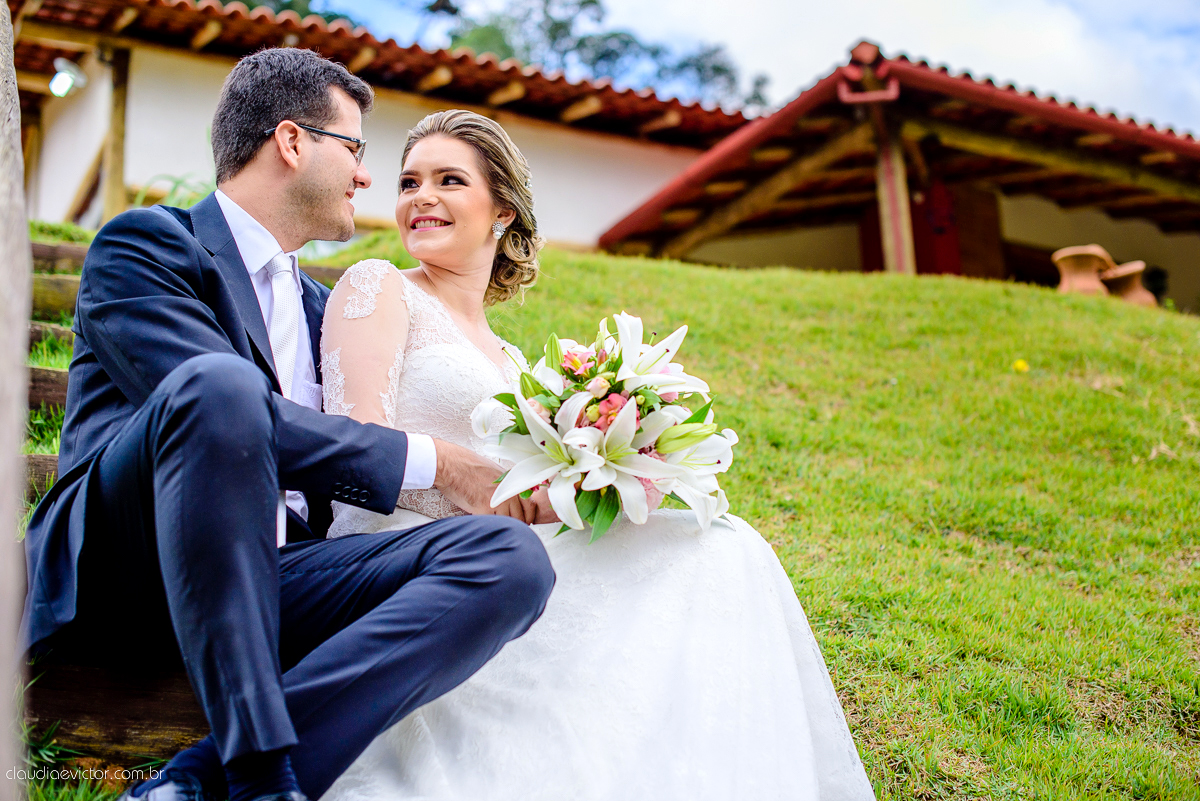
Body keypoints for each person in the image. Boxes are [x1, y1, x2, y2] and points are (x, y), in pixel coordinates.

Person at [19, 50, 555, 801]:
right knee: (220, 384)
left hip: (279, 577)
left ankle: (190, 784)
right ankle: (264, 779)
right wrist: (439, 461)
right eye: (358, 151)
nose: (368, 178)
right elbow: (222, 409)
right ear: (293, 142)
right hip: (134, 565)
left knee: (509, 559)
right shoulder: (146, 247)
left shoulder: (321, 309)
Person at [317, 109, 876, 800]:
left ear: (501, 214)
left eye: (449, 180)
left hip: (507, 551)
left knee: (720, 544)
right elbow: (354, 444)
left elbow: (528, 492)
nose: (420, 197)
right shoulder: (379, 287)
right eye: (408, 181)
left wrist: (617, 480)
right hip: (406, 553)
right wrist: (470, 490)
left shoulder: (515, 361)